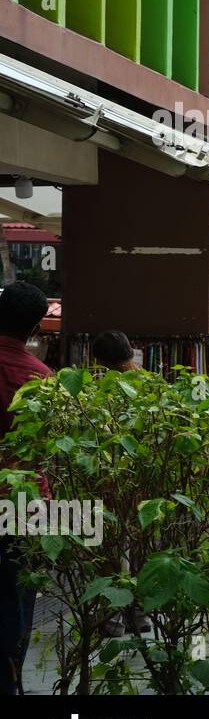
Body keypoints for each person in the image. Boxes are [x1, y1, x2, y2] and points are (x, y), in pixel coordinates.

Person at [0, 282, 53, 695]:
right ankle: (10, 676)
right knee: (18, 593)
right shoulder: (40, 379)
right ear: (35, 327)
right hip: (24, 504)